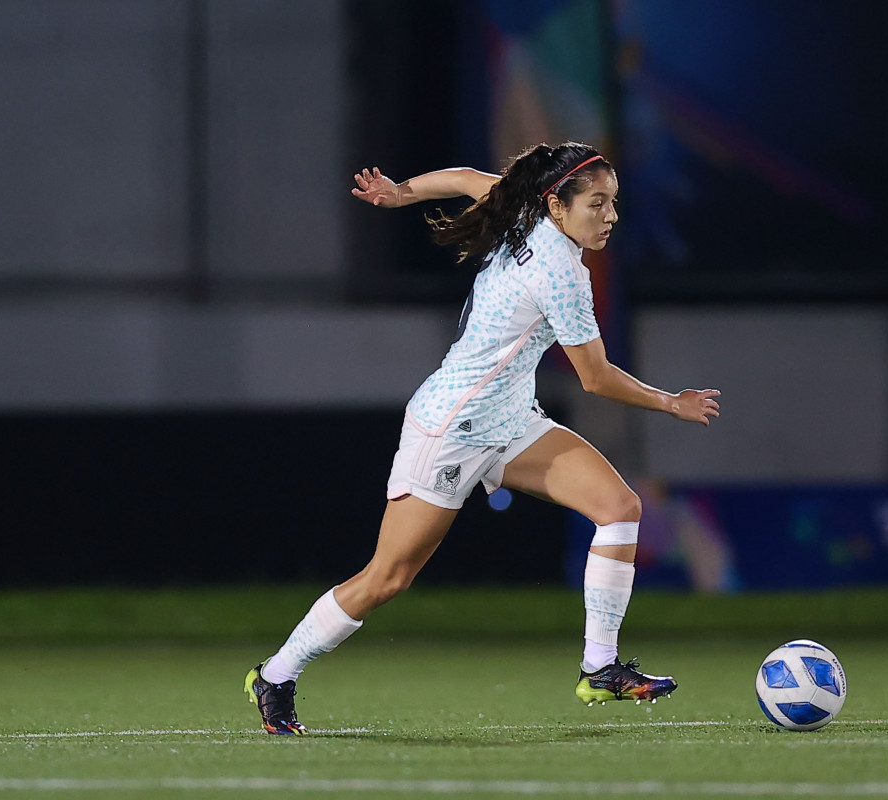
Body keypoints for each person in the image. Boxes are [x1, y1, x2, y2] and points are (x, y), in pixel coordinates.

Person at [245, 141, 720, 735]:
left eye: (613, 202)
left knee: (620, 508)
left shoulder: (525, 212)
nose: (610, 216)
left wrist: (401, 192)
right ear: (557, 204)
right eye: (597, 203)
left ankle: (600, 668)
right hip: (451, 429)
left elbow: (467, 178)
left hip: (511, 419)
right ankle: (278, 674)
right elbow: (595, 378)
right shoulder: (562, 274)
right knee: (387, 578)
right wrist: (669, 402)